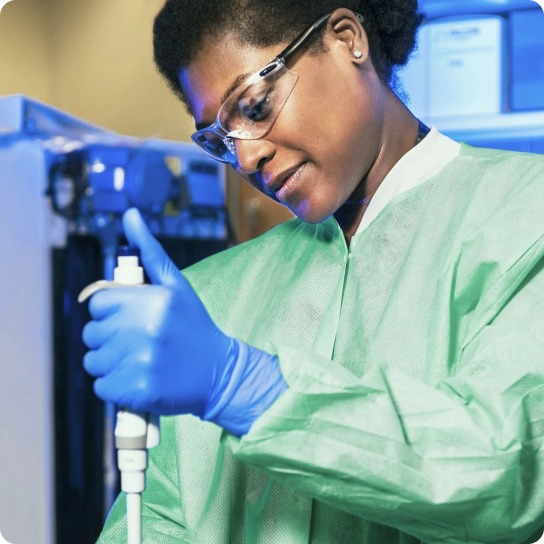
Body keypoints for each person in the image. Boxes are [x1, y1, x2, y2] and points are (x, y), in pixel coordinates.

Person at [84, 1, 544, 542]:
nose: (247, 158)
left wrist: (245, 389)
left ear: (347, 38)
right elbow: (159, 518)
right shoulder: (208, 296)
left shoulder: (524, 214)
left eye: (254, 107)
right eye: (220, 140)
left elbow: (506, 470)